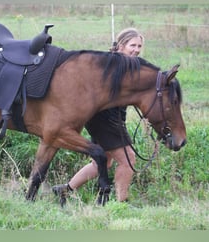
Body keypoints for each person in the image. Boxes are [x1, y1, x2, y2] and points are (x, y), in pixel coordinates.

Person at [52, 28, 144, 204]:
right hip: (104, 119)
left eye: (139, 46)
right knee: (128, 159)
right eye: (133, 45)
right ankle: (121, 203)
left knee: (102, 163)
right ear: (121, 46)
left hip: (109, 119)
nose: (137, 49)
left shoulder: (127, 65)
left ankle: (65, 190)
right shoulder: (111, 64)